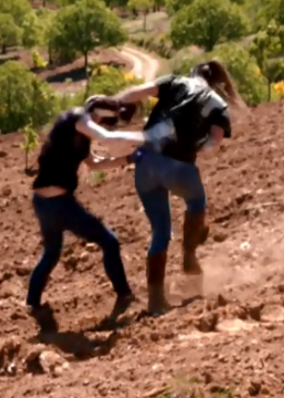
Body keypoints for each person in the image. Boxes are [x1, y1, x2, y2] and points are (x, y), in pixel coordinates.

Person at [109, 61, 242, 315]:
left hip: (145, 165)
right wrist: (193, 146)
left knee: (160, 231)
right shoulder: (218, 104)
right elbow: (213, 144)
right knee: (196, 202)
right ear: (218, 82)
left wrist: (111, 107)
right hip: (178, 166)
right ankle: (189, 255)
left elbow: (135, 92)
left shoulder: (174, 82)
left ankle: (156, 301)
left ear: (193, 73)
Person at [27, 95, 147, 330]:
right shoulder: (77, 118)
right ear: (99, 114)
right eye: (106, 121)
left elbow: (95, 164)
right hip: (60, 204)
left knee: (51, 253)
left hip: (43, 202)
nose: (105, 126)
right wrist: (147, 138)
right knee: (109, 242)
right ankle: (124, 294)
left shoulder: (79, 137)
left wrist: (127, 159)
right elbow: (107, 137)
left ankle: (32, 303)